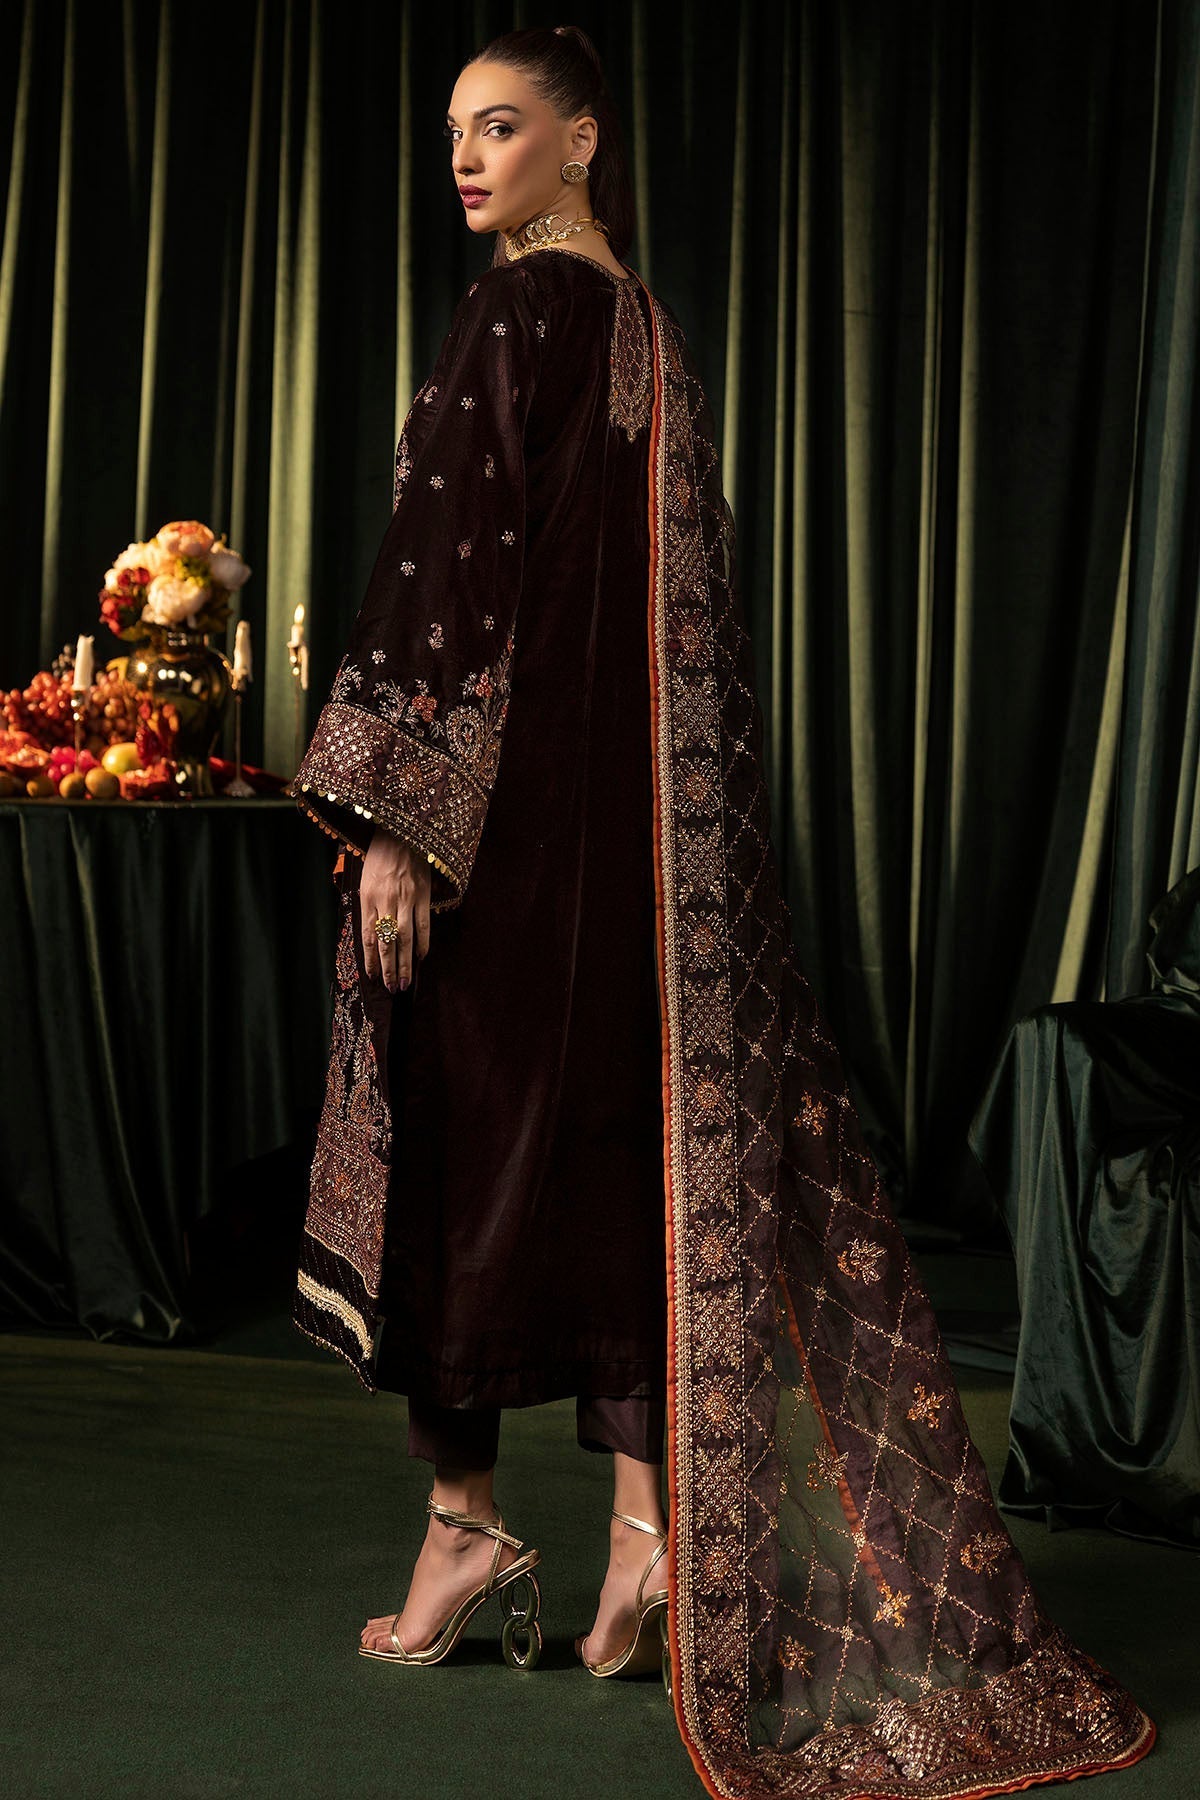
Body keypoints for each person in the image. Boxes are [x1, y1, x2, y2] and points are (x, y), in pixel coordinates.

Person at [291, 23, 1156, 1797]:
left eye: (503, 128)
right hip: (648, 868)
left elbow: (450, 572)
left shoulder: (516, 313)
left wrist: (392, 823)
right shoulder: (656, 338)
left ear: (582, 143)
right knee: (638, 1166)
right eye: (457, 133)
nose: (469, 159)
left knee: (455, 1142)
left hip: (496, 842)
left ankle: (465, 1527)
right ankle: (643, 1541)